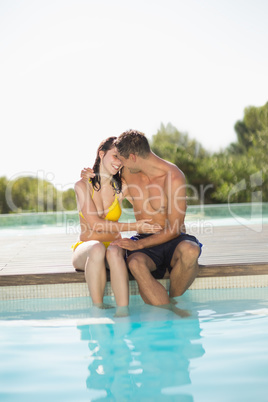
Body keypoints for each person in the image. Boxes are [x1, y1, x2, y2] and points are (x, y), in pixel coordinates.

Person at [110, 129, 202, 307]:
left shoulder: (173, 177)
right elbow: (101, 180)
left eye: (122, 159)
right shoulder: (127, 173)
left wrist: (138, 245)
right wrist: (88, 176)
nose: (120, 163)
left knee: (191, 251)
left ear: (133, 156)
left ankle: (173, 300)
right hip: (144, 240)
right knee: (135, 263)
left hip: (172, 238)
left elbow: (175, 229)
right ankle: (170, 310)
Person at [72, 136, 161, 316]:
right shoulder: (83, 185)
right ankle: (97, 309)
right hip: (87, 249)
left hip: (112, 247)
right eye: (115, 156)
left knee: (114, 250)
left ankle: (123, 312)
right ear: (101, 153)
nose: (119, 162)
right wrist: (135, 226)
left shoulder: (121, 187)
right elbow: (94, 224)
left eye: (122, 158)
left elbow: (146, 203)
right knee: (97, 248)